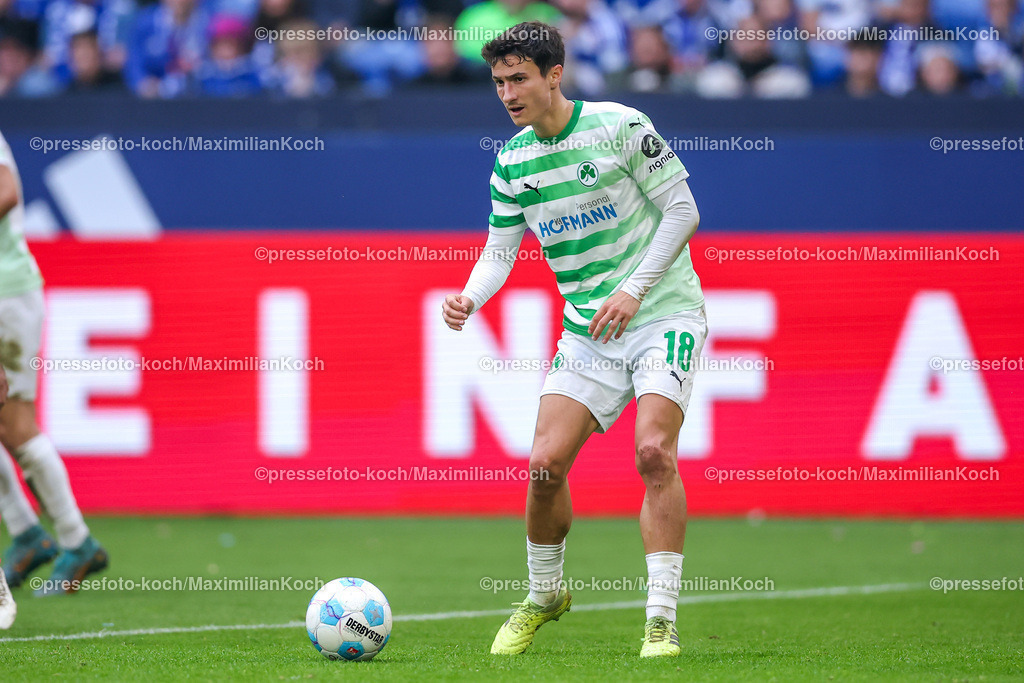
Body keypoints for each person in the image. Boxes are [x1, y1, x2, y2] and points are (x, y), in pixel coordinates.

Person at [441, 21, 707, 658]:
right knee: (543, 466)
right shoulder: (512, 162)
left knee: (653, 454)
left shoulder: (620, 126)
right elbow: (499, 251)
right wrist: (470, 297)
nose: (507, 93)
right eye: (499, 81)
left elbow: (684, 211)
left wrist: (634, 289)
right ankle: (543, 596)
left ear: (553, 75)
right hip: (590, 331)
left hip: (662, 313)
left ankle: (660, 622)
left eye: (519, 78)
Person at [0, 129, 109, 596]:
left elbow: (6, 189)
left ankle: (73, 540)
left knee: (17, 424)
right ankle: (31, 532)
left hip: (6, 292)